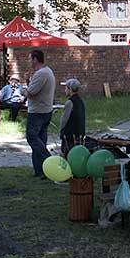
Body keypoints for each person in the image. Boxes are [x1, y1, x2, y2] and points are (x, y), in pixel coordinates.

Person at [21, 50, 55, 179]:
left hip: (38, 113)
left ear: (35, 59)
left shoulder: (41, 73)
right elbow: (35, 90)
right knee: (40, 140)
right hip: (45, 111)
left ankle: (49, 160)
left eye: (30, 59)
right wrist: (28, 81)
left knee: (32, 138)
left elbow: (30, 93)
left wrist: (22, 89)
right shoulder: (47, 71)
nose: (29, 61)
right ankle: (41, 170)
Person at [59, 78, 86, 156]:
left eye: (66, 88)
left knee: (67, 155)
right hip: (79, 134)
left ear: (70, 89)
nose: (65, 90)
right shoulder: (81, 101)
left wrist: (61, 132)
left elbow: (64, 120)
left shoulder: (70, 102)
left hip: (70, 136)